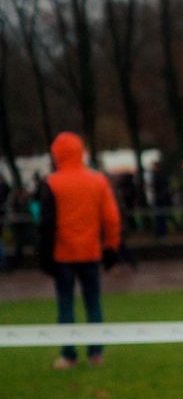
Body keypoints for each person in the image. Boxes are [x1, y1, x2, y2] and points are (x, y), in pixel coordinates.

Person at [38, 132, 122, 370]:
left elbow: (46, 224)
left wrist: (44, 257)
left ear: (57, 155)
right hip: (90, 252)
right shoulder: (98, 181)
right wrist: (111, 249)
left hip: (63, 255)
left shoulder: (52, 183)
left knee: (65, 306)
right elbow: (111, 218)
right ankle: (96, 353)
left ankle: (68, 354)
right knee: (93, 304)